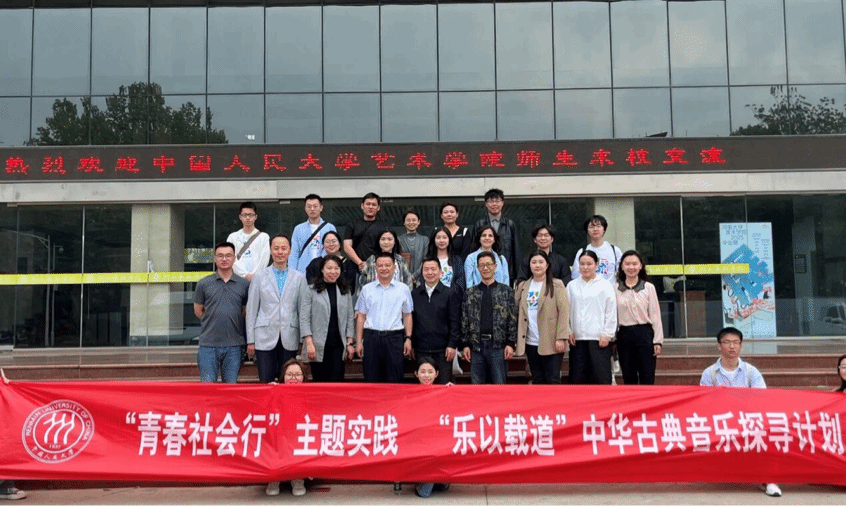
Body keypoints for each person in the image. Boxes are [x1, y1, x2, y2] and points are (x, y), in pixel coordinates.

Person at [700, 327, 782, 498]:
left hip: (747, 421)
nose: (732, 346)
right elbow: (706, 403)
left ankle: (769, 480)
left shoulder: (751, 372)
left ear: (741, 346)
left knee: (767, 435)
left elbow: (762, 399)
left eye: (736, 342)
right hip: (720, 422)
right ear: (719, 346)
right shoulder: (709, 373)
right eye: (727, 342)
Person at [245, 234, 307, 383]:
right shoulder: (259, 277)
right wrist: (250, 340)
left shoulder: (299, 277)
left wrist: (302, 340)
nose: (280, 252)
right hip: (264, 337)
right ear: (270, 250)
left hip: (290, 335)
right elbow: (251, 310)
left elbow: (302, 311)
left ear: (290, 251)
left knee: (288, 380)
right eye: (276, 248)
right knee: (266, 381)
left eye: (284, 248)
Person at [193, 242, 251, 383]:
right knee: (207, 386)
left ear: (234, 258)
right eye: (220, 255)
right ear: (215, 258)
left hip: (234, 345)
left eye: (228, 255)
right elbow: (198, 311)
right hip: (208, 345)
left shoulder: (244, 284)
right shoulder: (203, 283)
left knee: (230, 387)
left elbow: (244, 312)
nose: (224, 259)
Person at [355, 252, 414, 383]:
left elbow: (407, 315)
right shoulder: (366, 289)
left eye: (387, 265)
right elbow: (361, 317)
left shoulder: (403, 289)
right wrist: (359, 341)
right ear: (375, 267)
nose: (384, 268)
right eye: (380, 265)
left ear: (394, 267)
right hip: (371, 338)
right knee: (371, 377)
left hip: (394, 338)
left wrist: (408, 338)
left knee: (395, 378)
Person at [461, 251, 517, 384]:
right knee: (477, 387)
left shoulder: (506, 291)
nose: (485, 268)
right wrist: (465, 344)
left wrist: (510, 344)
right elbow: (464, 320)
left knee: (499, 386)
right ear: (477, 268)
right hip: (476, 346)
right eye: (481, 265)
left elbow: (512, 319)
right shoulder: (470, 293)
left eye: (489, 264)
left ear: (495, 266)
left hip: (498, 346)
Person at [515, 251, 570, 384]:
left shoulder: (557, 284)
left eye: (541, 262)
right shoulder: (522, 286)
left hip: (552, 341)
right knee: (537, 379)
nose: (537, 265)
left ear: (547, 265)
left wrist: (561, 338)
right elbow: (517, 311)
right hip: (531, 342)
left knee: (552, 379)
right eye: (534, 262)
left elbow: (564, 312)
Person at [299, 256, 355, 382]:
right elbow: (304, 318)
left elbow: (350, 318)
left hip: (338, 345)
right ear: (322, 270)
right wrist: (309, 343)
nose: (333, 272)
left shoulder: (345, 291)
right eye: (329, 268)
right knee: (320, 382)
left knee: (337, 381)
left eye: (336, 268)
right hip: (317, 345)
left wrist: (349, 343)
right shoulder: (311, 290)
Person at [567, 250, 617, 385]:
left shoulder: (605, 285)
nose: (585, 267)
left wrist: (607, 334)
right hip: (577, 339)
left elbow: (611, 311)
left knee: (601, 378)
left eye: (589, 264)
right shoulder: (572, 286)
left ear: (596, 264)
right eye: (582, 264)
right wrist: (569, 331)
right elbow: (566, 311)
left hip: (599, 339)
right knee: (578, 379)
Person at [615, 250, 664, 385]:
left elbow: (655, 315)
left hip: (644, 335)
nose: (631, 267)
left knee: (647, 376)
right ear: (622, 266)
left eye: (634, 264)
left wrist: (657, 341)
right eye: (627, 264)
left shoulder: (648, 288)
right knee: (628, 376)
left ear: (641, 266)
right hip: (624, 335)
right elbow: (612, 316)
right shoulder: (615, 288)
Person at [411, 258, 461, 384]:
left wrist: (452, 344)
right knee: (423, 386)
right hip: (421, 349)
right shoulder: (415, 294)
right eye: (426, 269)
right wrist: (411, 343)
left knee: (444, 385)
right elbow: (411, 320)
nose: (430, 272)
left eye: (433, 269)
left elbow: (455, 321)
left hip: (443, 350)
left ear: (440, 271)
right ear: (422, 272)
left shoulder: (449, 293)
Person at [266, 358, 309, 497]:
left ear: (303, 377)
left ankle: (297, 478)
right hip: (279, 438)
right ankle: (274, 478)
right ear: (283, 377)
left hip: (300, 437)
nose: (293, 378)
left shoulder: (310, 394)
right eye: (289, 374)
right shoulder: (275, 391)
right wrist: (268, 392)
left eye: (297, 375)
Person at [413, 356, 451, 499]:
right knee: (425, 493)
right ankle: (426, 483)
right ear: (416, 374)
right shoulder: (409, 394)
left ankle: (436, 480)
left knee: (444, 485)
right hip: (419, 443)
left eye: (430, 372)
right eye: (423, 372)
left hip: (438, 441)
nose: (427, 375)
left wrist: (453, 393)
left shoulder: (443, 392)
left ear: (437, 373)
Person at [473, 189, 520, 282]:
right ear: (486, 204)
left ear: (502, 203)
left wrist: (517, 276)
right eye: (491, 201)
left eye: (497, 201)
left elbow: (516, 251)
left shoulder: (510, 225)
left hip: (506, 274)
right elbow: (474, 249)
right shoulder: (479, 224)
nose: (494, 204)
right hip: (483, 274)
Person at [289, 194, 337, 274]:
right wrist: (292, 273)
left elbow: (334, 252)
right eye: (309, 206)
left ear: (321, 207)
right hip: (303, 271)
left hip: (325, 272)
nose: (312, 209)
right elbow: (294, 253)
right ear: (305, 209)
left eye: (315, 206)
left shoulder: (330, 228)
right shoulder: (298, 229)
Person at [343, 192, 387, 274]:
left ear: (378, 208)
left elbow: (386, 248)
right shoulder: (352, 224)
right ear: (362, 206)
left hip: (376, 267)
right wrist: (360, 263)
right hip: (354, 267)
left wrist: (371, 264)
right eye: (368, 204)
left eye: (374, 205)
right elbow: (347, 247)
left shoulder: (384, 227)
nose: (371, 207)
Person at [226, 201, 270, 282]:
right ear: (240, 217)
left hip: (258, 279)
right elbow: (230, 259)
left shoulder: (264, 237)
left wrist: (254, 276)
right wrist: (245, 275)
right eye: (244, 215)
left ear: (256, 216)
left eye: (250, 215)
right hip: (237, 279)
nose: (247, 218)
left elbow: (264, 259)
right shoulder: (232, 237)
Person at [571, 215, 622, 282]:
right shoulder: (582, 252)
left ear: (604, 229)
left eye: (598, 226)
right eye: (591, 227)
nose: (595, 229)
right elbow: (575, 275)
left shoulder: (615, 250)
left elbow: (622, 272)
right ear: (587, 231)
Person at [427, 226, 465, 300]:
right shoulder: (428, 260)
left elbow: (460, 283)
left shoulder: (457, 260)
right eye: (438, 238)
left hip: (452, 299)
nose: (441, 240)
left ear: (449, 240)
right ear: (434, 240)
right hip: (432, 299)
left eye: (444, 237)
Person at [398, 209, 429, 286]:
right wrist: (408, 277)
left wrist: (415, 275)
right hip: (403, 280)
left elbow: (426, 259)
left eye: (414, 220)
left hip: (422, 280)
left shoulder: (425, 240)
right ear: (404, 222)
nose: (411, 222)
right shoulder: (399, 240)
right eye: (408, 220)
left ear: (419, 222)